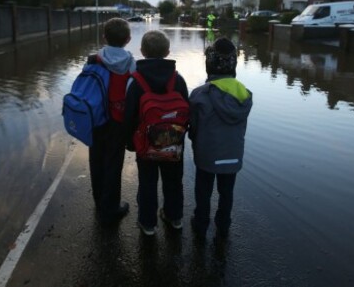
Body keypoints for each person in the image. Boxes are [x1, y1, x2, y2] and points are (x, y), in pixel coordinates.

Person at [124, 30, 189, 236]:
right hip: (173, 142)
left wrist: (130, 143)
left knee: (147, 183)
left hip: (146, 145)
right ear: (168, 51)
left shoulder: (135, 81)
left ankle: (148, 223)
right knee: (173, 181)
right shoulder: (177, 79)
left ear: (142, 51)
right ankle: (174, 217)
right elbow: (186, 111)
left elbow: (129, 116)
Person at [188, 37, 252, 238]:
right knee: (227, 192)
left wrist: (194, 139)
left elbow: (193, 128)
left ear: (210, 63)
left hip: (206, 154)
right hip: (233, 155)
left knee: (203, 191)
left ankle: (201, 223)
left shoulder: (199, 95)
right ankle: (223, 224)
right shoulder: (245, 95)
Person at [89, 17, 136, 224]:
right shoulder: (131, 63)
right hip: (118, 121)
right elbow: (133, 92)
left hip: (96, 119)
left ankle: (99, 202)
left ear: (104, 37)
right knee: (113, 163)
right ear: (128, 39)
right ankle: (111, 208)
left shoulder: (94, 59)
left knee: (96, 160)